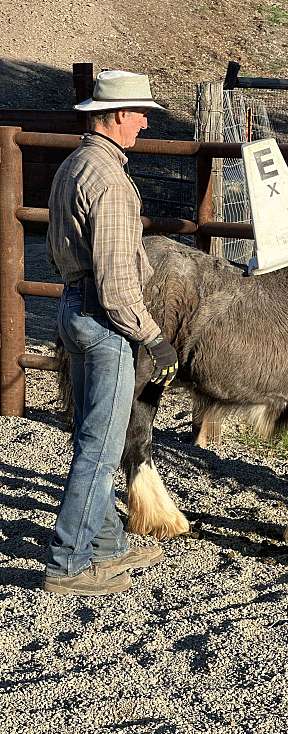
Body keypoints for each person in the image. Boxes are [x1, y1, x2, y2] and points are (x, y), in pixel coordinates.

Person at [44, 70, 179, 596]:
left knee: (91, 435)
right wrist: (154, 337)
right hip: (104, 320)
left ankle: (106, 543)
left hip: (73, 307)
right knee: (100, 447)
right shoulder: (111, 182)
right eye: (141, 112)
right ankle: (68, 562)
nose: (145, 122)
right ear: (117, 115)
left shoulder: (75, 164)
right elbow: (119, 285)